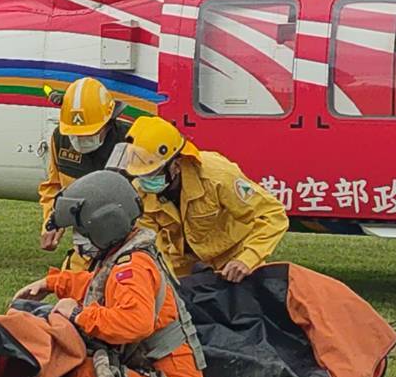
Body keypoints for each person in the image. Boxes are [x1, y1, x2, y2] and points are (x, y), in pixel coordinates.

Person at [13, 170, 209, 377]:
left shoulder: (131, 269)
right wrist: (53, 283)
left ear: (104, 224)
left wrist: (78, 314)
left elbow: (134, 322)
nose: (77, 238)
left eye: (80, 229)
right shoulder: (126, 258)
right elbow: (97, 285)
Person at [118, 115, 287, 284]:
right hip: (185, 263)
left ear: (176, 165)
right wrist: (161, 276)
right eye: (141, 175)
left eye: (152, 173)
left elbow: (272, 214)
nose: (145, 180)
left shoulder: (216, 176)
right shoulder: (142, 190)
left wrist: (248, 259)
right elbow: (149, 240)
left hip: (233, 258)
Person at [37, 77, 133, 264]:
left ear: (108, 122)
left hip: (127, 249)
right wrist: (52, 222)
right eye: (75, 135)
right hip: (83, 252)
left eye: (88, 134)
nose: (80, 141)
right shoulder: (60, 140)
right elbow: (54, 188)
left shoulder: (130, 142)